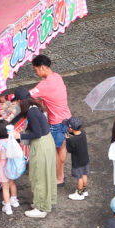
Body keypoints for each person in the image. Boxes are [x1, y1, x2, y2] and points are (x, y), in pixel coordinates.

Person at [12, 93, 57, 218]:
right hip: (47, 142)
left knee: (39, 176)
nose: (16, 104)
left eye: (16, 101)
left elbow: (36, 134)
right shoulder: (36, 108)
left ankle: (41, 208)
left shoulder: (31, 113)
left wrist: (19, 136)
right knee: (46, 174)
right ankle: (44, 202)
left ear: (22, 101)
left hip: (41, 145)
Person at [29, 54, 72, 186]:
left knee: (54, 151)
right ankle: (61, 174)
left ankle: (59, 178)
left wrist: (7, 98)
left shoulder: (44, 85)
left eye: (36, 70)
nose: (36, 73)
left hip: (56, 122)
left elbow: (26, 95)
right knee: (62, 147)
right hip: (67, 118)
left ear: (42, 68)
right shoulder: (57, 77)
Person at [0, 120, 20, 215]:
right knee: (12, 183)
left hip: (2, 168)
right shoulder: (11, 139)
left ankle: (7, 207)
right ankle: (14, 200)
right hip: (11, 165)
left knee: (5, 187)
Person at [65, 117, 90, 201]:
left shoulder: (73, 140)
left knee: (79, 177)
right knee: (84, 174)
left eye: (68, 127)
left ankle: (79, 194)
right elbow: (77, 136)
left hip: (77, 162)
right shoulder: (82, 133)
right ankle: (84, 190)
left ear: (71, 128)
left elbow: (70, 149)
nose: (67, 128)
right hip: (85, 159)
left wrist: (68, 140)